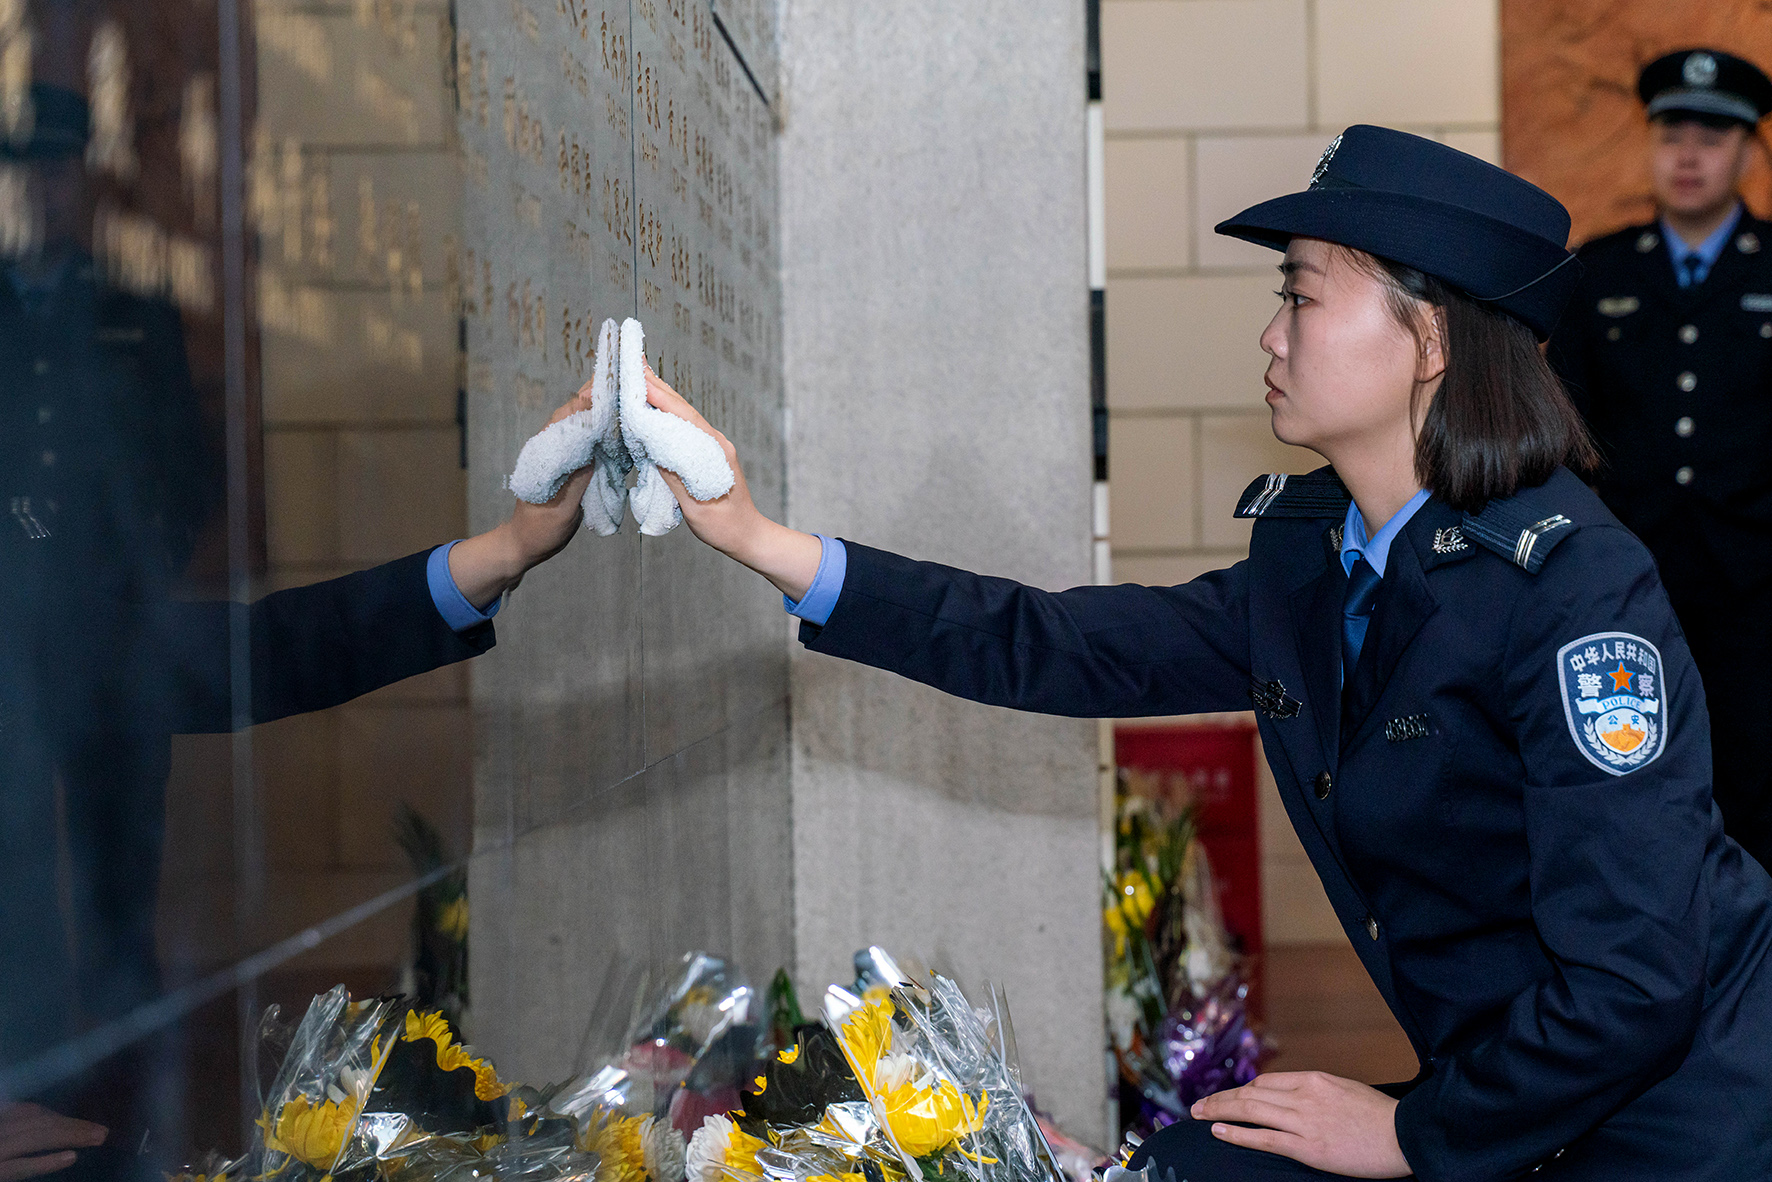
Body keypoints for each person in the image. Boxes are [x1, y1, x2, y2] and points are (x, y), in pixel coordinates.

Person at [642, 125, 1772, 1179]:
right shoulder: (1320, 561)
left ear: (1429, 339)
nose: (1272, 336)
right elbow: (1061, 646)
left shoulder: (1570, 589)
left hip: (1673, 1122)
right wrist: (763, 540)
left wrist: (1410, 1133)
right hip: (1513, 1093)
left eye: (1301, 297)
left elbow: (1636, 985)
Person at [1548, 48, 1772, 871]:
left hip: (1758, 593)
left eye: (1712, 138)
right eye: (1672, 134)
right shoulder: (1599, 271)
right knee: (1629, 776)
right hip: (1628, 586)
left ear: (1748, 153)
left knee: (1755, 786)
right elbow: (1564, 433)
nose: (1688, 156)